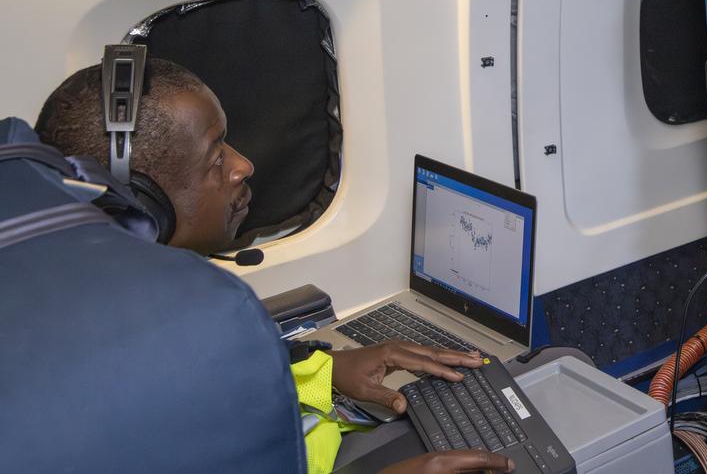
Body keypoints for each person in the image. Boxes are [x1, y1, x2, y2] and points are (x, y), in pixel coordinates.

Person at [36, 59, 513, 474]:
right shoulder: (133, 352)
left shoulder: (119, 305)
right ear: (141, 204)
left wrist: (324, 372)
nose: (242, 165)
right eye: (215, 156)